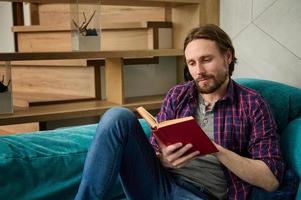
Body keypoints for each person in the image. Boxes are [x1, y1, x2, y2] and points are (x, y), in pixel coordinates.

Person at [75, 24, 285, 200]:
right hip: (157, 183)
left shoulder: (252, 104)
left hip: (199, 194)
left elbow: (271, 180)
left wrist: (216, 150)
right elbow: (154, 153)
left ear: (227, 57)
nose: (198, 71)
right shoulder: (178, 95)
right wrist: (164, 159)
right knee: (117, 116)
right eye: (192, 63)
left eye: (206, 60)